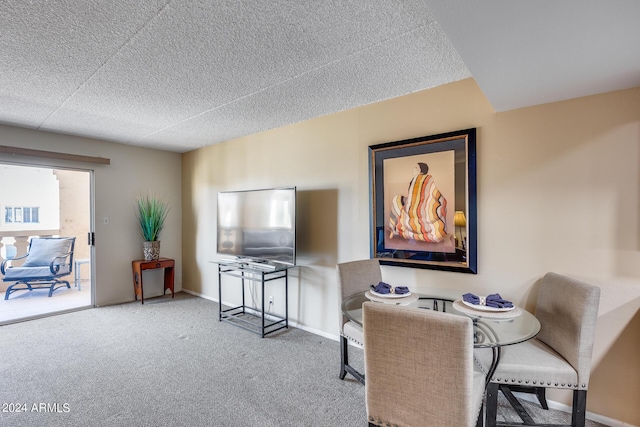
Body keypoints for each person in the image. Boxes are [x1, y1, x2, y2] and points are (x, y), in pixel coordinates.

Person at [388, 162, 447, 243]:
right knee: (398, 199)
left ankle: (394, 230)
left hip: (421, 212)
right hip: (417, 209)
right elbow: (413, 198)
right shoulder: (428, 179)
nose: (413, 169)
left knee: (396, 200)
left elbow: (418, 199)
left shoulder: (419, 180)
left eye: (415, 168)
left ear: (420, 170)